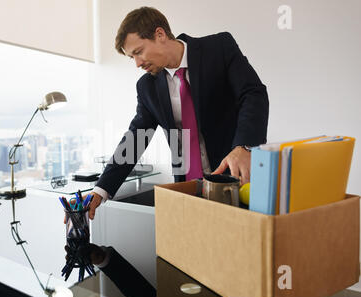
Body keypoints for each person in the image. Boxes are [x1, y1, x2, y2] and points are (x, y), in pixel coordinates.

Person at [85, 6, 269, 220]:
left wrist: (243, 146)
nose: (137, 63)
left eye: (138, 52)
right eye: (131, 58)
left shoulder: (219, 48)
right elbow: (136, 137)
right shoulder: (147, 87)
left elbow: (253, 93)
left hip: (234, 181)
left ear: (160, 34)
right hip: (188, 190)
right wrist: (101, 190)